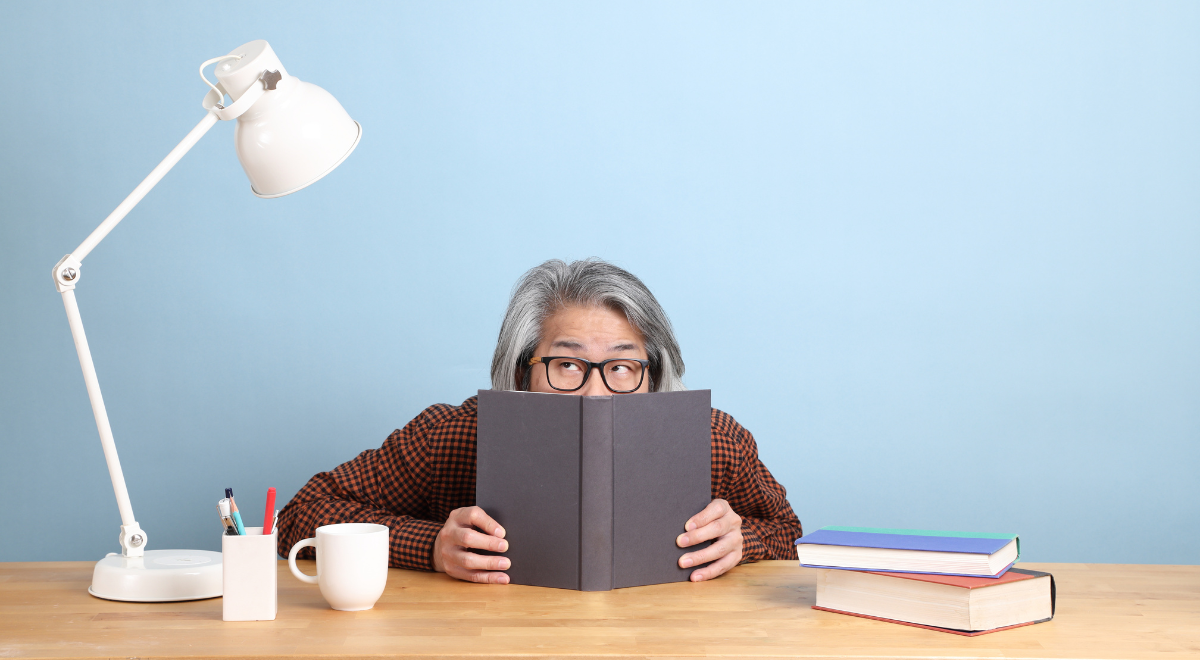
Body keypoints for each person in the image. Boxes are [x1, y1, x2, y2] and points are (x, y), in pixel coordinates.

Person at [276, 258, 802, 584]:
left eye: (622, 367)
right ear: (523, 369)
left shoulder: (713, 440)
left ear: (653, 373)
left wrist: (744, 542)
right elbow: (303, 512)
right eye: (567, 365)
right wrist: (430, 546)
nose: (595, 393)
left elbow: (790, 533)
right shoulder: (456, 434)